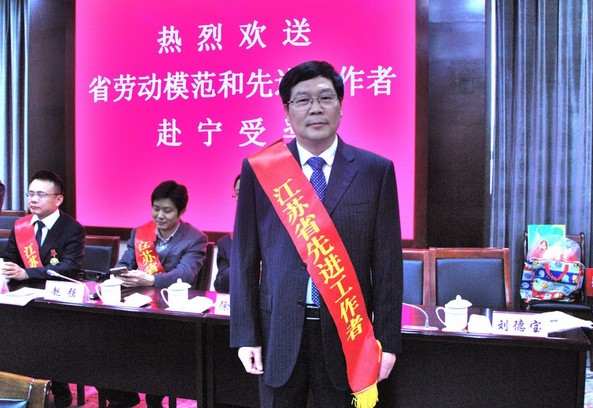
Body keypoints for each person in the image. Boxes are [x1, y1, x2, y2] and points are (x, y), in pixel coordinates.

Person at [230, 60, 403, 408]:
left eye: (325, 98)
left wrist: (387, 342)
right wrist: (246, 334)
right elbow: (244, 258)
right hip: (278, 332)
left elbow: (387, 266)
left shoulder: (375, 171)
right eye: (303, 100)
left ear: (340, 105)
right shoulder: (260, 170)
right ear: (287, 110)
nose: (315, 108)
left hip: (347, 335)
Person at [101, 180, 208, 408]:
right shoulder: (140, 233)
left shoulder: (195, 238)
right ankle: (123, 397)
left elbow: (186, 274)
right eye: (156, 208)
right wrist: (121, 274)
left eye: (167, 210)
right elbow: (124, 263)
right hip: (134, 307)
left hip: (169, 313)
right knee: (103, 344)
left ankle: (154, 397)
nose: (159, 216)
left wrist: (151, 280)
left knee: (153, 351)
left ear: (181, 211)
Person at [0, 169, 85, 408]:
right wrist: (8, 269)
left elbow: (69, 268)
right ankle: (16, 390)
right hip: (22, 299)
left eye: (40, 195)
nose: (33, 200)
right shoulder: (21, 225)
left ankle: (60, 391)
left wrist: (28, 273)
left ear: (58, 199)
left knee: (49, 334)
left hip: (56, 301)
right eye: (30, 194)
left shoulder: (72, 228)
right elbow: (10, 259)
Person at [213, 174, 240, 293]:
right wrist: (240, 265)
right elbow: (220, 285)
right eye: (238, 194)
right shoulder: (227, 242)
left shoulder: (276, 236)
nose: (241, 198)